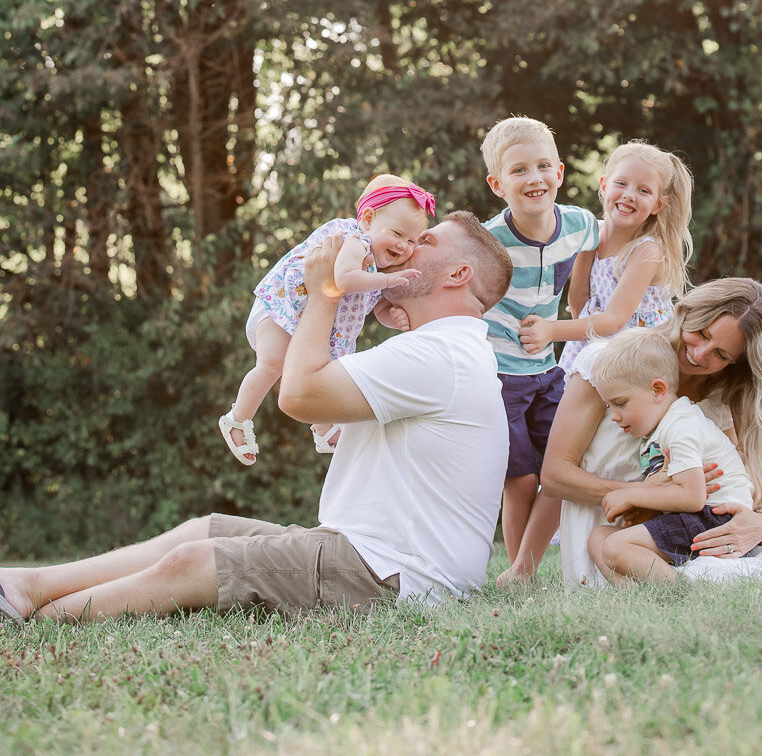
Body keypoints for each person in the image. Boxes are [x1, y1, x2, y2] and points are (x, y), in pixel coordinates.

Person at [0, 213, 513, 622]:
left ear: (458, 274)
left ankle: (38, 617)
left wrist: (324, 294)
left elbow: (300, 394)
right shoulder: (437, 350)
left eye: (425, 240)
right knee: (204, 530)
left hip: (398, 575)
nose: (404, 241)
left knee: (193, 565)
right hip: (367, 552)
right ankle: (25, 586)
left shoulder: (441, 355)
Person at [540, 278, 762, 588]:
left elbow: (736, 479)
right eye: (701, 333)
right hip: (609, 524)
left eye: (722, 355)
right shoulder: (612, 365)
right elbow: (554, 475)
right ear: (688, 312)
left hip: (678, 532)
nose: (700, 354)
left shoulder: (719, 397)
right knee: (610, 555)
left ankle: (679, 591)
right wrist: (650, 495)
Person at [219, 174, 434, 463]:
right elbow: (344, 278)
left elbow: (377, 307)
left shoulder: (379, 269)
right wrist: (388, 280)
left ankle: (323, 428)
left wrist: (393, 316)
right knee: (272, 365)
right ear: (368, 219)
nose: (404, 246)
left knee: (317, 377)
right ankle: (237, 419)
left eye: (411, 240)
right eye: (397, 234)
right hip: (282, 309)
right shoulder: (355, 239)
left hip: (309, 324)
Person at [480, 116, 599, 585]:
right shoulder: (490, 242)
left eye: (543, 166)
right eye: (519, 170)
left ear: (561, 172)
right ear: (497, 184)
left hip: (547, 370)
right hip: (498, 375)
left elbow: (588, 274)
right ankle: (521, 573)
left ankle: (522, 569)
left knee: (560, 472)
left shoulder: (579, 225)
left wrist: (566, 322)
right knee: (521, 479)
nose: (535, 179)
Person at [585, 329, 759, 584]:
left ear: (657, 390)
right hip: (693, 517)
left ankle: (682, 593)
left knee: (615, 547)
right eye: (609, 406)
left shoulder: (681, 426)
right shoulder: (661, 426)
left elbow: (692, 498)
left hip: (716, 517)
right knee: (599, 537)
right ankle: (632, 598)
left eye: (620, 403)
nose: (614, 415)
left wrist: (630, 494)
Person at [518, 140, 693, 377]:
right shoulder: (591, 232)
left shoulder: (646, 251)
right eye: (621, 183)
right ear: (604, 186)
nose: (629, 195)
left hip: (636, 354)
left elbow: (615, 320)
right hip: (594, 340)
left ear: (658, 205)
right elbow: (578, 299)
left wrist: (552, 330)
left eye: (644, 190)